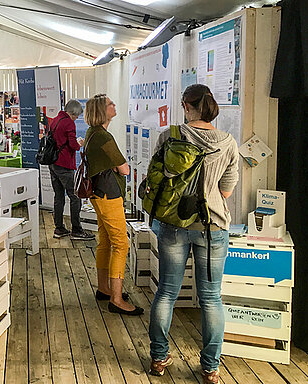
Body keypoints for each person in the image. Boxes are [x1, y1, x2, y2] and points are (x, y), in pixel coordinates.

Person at [148, 85, 239, 384]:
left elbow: (155, 177)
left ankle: (159, 357)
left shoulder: (170, 135)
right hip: (212, 226)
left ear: (187, 106)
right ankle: (210, 367)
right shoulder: (227, 142)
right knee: (211, 298)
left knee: (166, 293)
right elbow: (226, 188)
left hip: (174, 225)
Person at [84, 94, 143, 316]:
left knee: (106, 240)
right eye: (111, 103)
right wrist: (120, 166)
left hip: (99, 194)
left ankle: (104, 288)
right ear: (102, 110)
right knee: (121, 244)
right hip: (109, 195)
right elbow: (125, 168)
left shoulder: (92, 133)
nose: (114, 105)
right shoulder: (103, 137)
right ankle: (116, 299)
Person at [49, 99, 95, 241]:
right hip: (64, 164)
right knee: (75, 197)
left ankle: (59, 228)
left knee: (59, 196)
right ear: (72, 113)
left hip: (53, 163)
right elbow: (73, 145)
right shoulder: (68, 122)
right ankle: (76, 230)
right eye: (76, 116)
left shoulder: (55, 120)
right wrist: (80, 143)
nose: (76, 119)